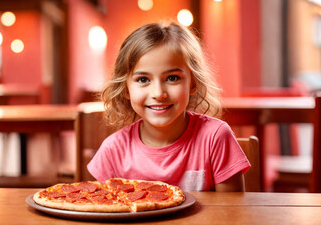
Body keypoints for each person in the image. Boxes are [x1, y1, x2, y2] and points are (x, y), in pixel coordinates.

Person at [87, 21, 250, 192]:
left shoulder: (215, 138)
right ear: (126, 88)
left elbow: (230, 214)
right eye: (143, 80)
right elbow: (104, 213)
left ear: (193, 83)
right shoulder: (113, 150)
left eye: (172, 78)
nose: (158, 93)